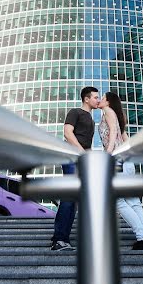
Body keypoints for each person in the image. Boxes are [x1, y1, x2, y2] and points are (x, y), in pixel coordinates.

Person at [99, 91, 143, 250]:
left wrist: (108, 153)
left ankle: (142, 237)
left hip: (117, 161)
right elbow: (126, 139)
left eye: (102, 98)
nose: (100, 100)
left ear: (108, 102)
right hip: (126, 162)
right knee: (134, 202)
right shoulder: (117, 115)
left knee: (119, 201)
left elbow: (114, 133)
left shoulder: (108, 112)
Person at [49, 86, 99, 251]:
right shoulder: (75, 112)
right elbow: (68, 133)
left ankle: (63, 238)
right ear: (86, 98)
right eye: (95, 97)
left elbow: (87, 145)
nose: (98, 100)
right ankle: (58, 239)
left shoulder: (91, 120)